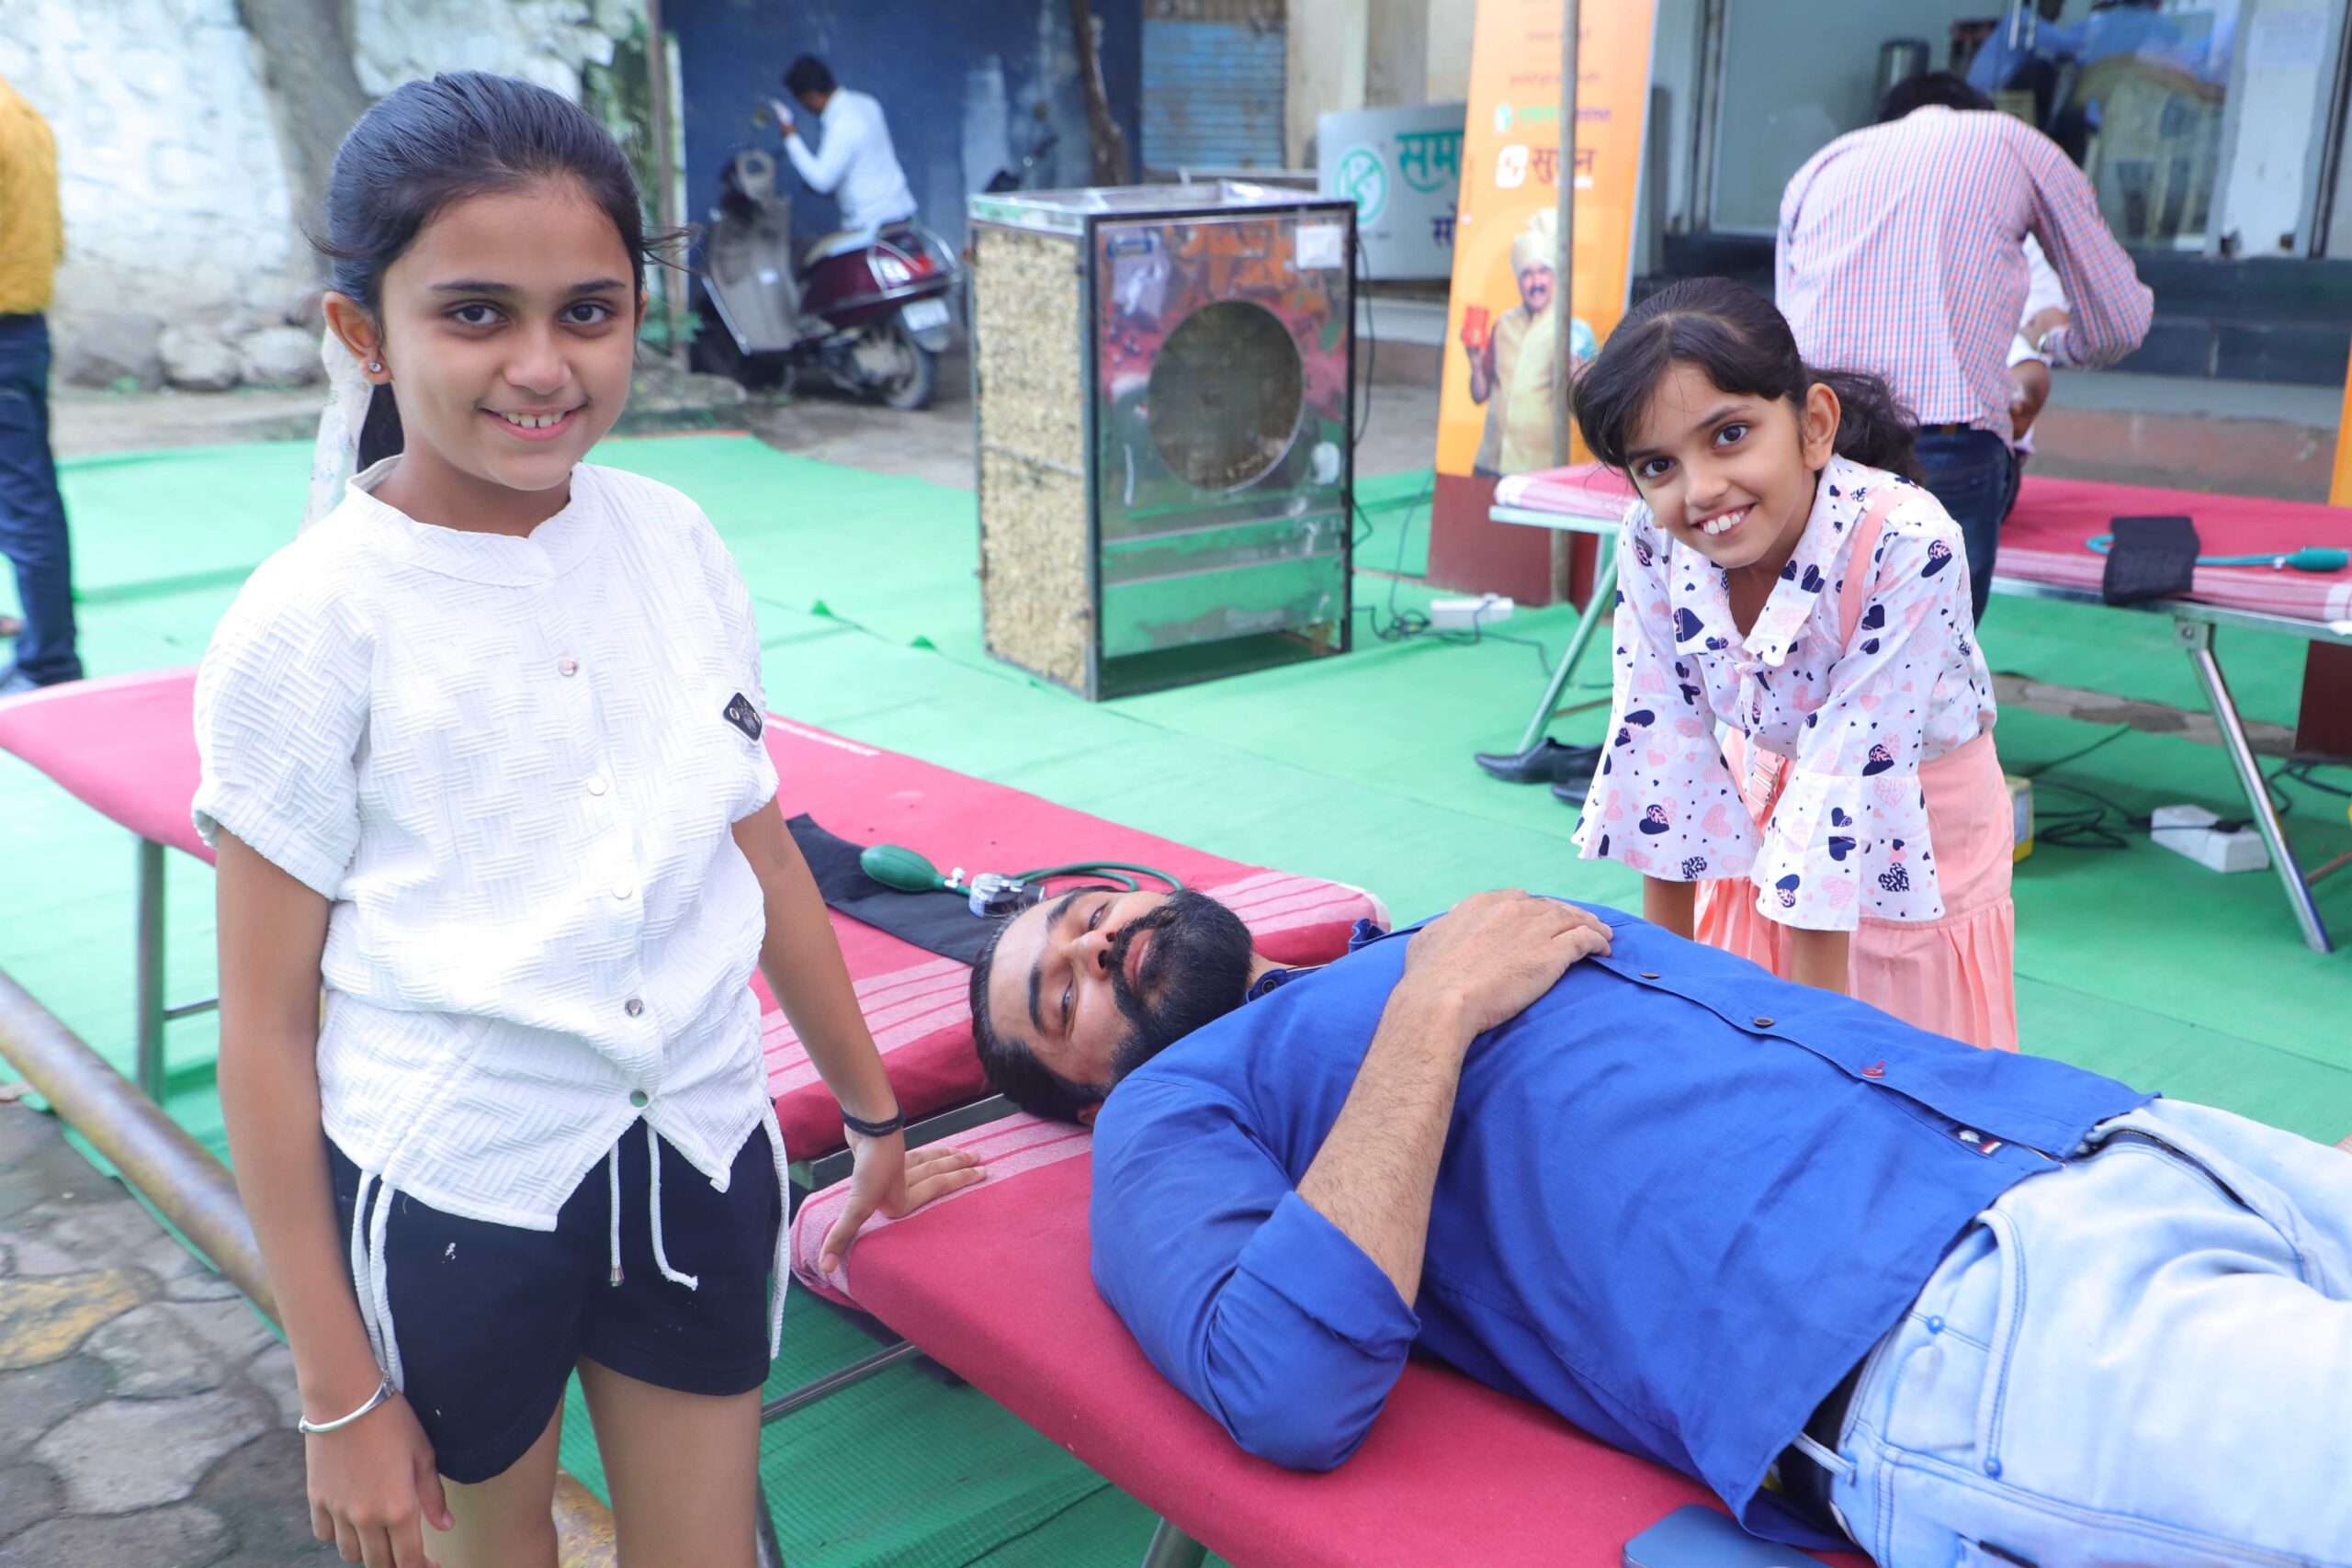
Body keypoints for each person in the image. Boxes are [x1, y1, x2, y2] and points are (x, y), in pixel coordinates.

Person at [197, 73, 980, 1568]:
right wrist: (338, 1391)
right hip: (458, 1187)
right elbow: (266, 1028)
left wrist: (871, 1110)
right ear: (363, 331)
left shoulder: (675, 541)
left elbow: (758, 849)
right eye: (474, 313)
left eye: (590, 311)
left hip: (703, 1145)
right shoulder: (309, 622)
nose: (542, 366)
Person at [967, 883, 2352, 1568]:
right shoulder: (1170, 1110)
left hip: (2126, 1146)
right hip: (1954, 1320)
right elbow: (1282, 1381)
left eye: (1088, 913)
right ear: (1083, 1097)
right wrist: (1435, 1008)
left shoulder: (1403, 941)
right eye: (1059, 996)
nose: (1092, 943)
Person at [1566, 276, 2015, 1049]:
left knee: (1880, 1058)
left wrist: (1809, 1058)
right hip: (1764, 795)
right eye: (1658, 464)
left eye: (1730, 434)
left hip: (1913, 812)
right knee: (1719, 1036)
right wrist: (1665, 998)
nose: (1702, 490)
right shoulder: (1650, 538)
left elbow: (1849, 775)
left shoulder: (1910, 543)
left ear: (1813, 425)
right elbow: (1665, 750)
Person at [1778, 71, 2152, 624]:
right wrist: (2053, 340)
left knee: (1813, 635)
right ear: (1978, 112)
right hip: (1946, 436)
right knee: (1932, 647)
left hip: (1816, 432)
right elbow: (2119, 324)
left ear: (1884, 123)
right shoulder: (2013, 142)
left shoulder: (1822, 165)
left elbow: (1784, 337)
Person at [0, 74, 81, 695]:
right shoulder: (20, 111)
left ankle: (48, 663)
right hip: (22, 328)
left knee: (25, 508)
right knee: (27, 499)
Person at [1465, 207, 1596, 479]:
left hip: (1538, 468)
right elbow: (1479, 395)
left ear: (1555, 277)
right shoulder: (1503, 325)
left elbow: (1592, 403)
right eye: (1527, 274)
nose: (1536, 282)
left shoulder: (1576, 332)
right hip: (1489, 463)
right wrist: (1476, 365)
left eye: (1542, 272)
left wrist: (1580, 379)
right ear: (1519, 280)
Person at [769, 55, 918, 265]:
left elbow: (821, 181)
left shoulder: (842, 123)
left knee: (813, 262)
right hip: (901, 217)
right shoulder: (867, 103)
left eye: (802, 102)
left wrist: (791, 138)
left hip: (869, 229)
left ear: (810, 96)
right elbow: (861, 163)